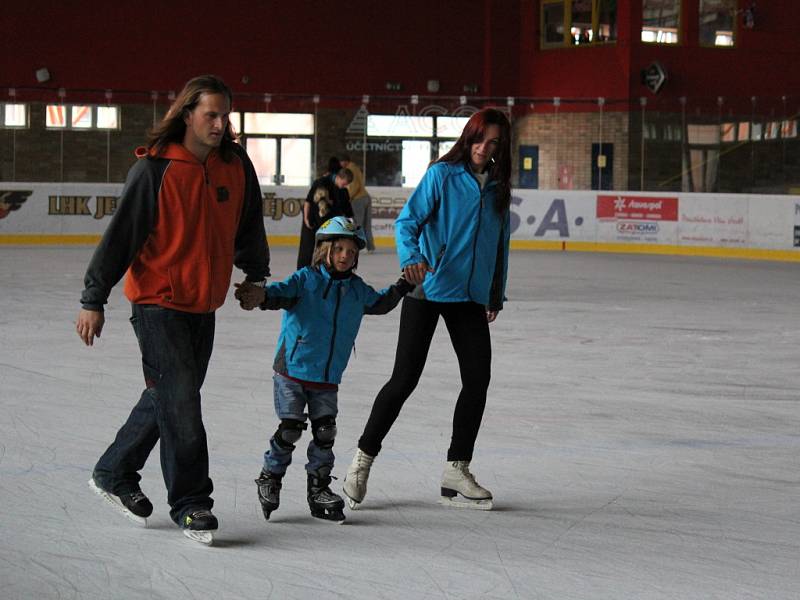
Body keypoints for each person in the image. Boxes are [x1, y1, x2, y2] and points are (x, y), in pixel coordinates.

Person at [76, 74, 270, 543]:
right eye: (211, 114)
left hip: (204, 303)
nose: (221, 124)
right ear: (187, 114)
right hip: (158, 302)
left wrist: (256, 275)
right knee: (182, 401)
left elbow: (249, 224)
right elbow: (120, 237)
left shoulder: (236, 166)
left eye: (226, 115)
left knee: (168, 396)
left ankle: (114, 471)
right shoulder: (155, 171)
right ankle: (191, 503)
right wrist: (93, 299)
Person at [342, 108, 512, 511]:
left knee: (477, 379)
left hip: (469, 296)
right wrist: (413, 258)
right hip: (428, 288)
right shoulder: (442, 175)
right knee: (404, 380)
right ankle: (361, 461)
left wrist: (494, 292)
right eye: (478, 139)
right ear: (467, 138)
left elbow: (500, 245)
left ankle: (456, 469)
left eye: (492, 142)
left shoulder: (499, 187)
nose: (483, 148)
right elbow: (408, 222)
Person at [234, 217, 413, 523]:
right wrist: (260, 296)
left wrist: (404, 284)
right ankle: (270, 477)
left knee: (325, 432)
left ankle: (318, 488)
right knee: (290, 428)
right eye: (339, 248)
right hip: (292, 370)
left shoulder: (356, 290)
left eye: (351, 251)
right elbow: (279, 293)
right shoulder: (306, 280)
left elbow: (381, 303)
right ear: (325, 250)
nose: (346, 255)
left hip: (327, 377)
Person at [297, 167, 354, 269]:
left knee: (325, 249)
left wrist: (349, 221)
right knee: (306, 249)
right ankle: (302, 272)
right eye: (344, 183)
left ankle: (323, 270)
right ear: (339, 177)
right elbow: (308, 202)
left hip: (329, 225)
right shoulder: (321, 183)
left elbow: (347, 210)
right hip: (312, 221)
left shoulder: (343, 191)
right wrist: (306, 219)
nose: (345, 186)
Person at [340, 154, 375, 252]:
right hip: (366, 197)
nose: (340, 164)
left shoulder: (350, 169)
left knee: (358, 223)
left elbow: (355, 186)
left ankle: (362, 245)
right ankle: (370, 247)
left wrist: (348, 197)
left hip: (358, 199)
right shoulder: (356, 167)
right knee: (367, 224)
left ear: (344, 161)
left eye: (341, 162)